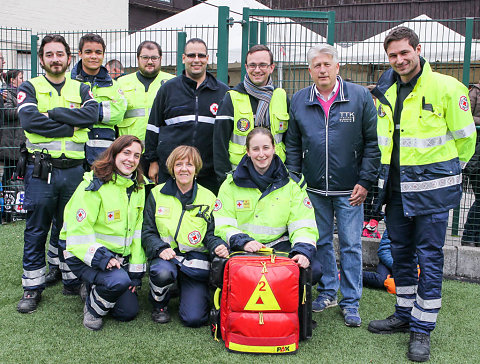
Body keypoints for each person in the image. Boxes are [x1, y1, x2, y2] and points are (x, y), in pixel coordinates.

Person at [368, 27, 476, 362]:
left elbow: (466, 141)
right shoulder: (383, 90)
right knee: (401, 254)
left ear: (418, 49)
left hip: (433, 193)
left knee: (428, 257)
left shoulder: (448, 88)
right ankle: (403, 313)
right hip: (396, 190)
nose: (399, 60)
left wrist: (443, 176)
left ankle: (422, 328)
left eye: (404, 53)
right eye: (392, 55)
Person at [285, 44, 380, 327]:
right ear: (310, 70)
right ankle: (328, 293)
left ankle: (351, 302)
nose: (322, 69)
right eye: (317, 65)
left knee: (351, 245)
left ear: (337, 67)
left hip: (350, 190)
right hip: (313, 189)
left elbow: (373, 145)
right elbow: (293, 143)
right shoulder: (300, 99)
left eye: (327, 64)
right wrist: (294, 178)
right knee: (322, 242)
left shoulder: (361, 97)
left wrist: (365, 181)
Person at [15, 34, 98, 314]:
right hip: (41, 170)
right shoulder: (30, 86)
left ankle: (72, 280)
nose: (55, 59)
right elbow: (29, 120)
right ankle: (32, 286)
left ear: (68, 58)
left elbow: (91, 116)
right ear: (41, 60)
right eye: (49, 54)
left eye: (59, 54)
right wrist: (69, 126)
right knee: (36, 229)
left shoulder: (82, 87)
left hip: (74, 171)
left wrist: (53, 113)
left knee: (72, 228)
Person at [59, 135, 147, 331]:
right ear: (114, 153)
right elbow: (78, 231)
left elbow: (137, 233)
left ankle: (92, 286)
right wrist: (101, 258)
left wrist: (135, 272)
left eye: (136, 156)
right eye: (126, 153)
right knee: (118, 281)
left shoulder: (139, 186)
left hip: (115, 259)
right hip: (81, 254)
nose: (131, 160)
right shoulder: (93, 185)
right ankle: (92, 310)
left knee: (127, 312)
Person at [214, 127, 319, 277]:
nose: (261, 154)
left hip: (280, 246)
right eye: (255, 149)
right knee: (220, 269)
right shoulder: (230, 184)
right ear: (248, 152)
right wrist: (244, 242)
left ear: (274, 149)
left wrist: (302, 251)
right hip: (243, 247)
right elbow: (223, 224)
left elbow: (303, 224)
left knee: (313, 270)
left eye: (266, 148)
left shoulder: (293, 185)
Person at [142, 145, 227, 326]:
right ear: (172, 168)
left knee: (194, 319)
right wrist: (159, 248)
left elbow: (212, 234)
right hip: (166, 258)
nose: (183, 169)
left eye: (189, 164)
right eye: (179, 164)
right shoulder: (156, 194)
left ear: (196, 169)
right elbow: (147, 231)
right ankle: (160, 305)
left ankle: (183, 287)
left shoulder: (209, 197)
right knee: (162, 272)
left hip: (194, 261)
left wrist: (217, 245)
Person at [145, 38, 229, 194]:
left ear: (207, 59)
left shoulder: (222, 92)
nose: (196, 60)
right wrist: (153, 161)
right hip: (172, 172)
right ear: (183, 58)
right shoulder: (168, 89)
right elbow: (153, 127)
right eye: (191, 55)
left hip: (208, 174)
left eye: (201, 55)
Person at [214, 44, 289, 184]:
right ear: (246, 67)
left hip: (276, 175)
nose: (257, 70)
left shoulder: (281, 96)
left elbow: (290, 140)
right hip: (239, 176)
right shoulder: (232, 98)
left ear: (271, 67)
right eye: (252, 65)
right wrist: (223, 179)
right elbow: (219, 143)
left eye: (262, 65)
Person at [117, 41, 174, 173]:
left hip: (162, 153)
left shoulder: (172, 82)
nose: (150, 61)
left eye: (154, 58)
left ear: (161, 59)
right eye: (145, 57)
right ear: (138, 58)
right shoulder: (122, 83)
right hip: (129, 153)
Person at [70, 33, 127, 166]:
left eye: (98, 52)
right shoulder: (67, 81)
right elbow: (62, 110)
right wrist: (101, 110)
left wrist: (83, 112)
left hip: (102, 154)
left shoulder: (114, 85)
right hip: (73, 153)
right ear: (80, 53)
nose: (94, 56)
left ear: (103, 55)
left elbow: (118, 115)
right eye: (88, 52)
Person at [461, 79, 480, 247]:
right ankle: (468, 237)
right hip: (475, 155)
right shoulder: (475, 91)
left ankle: (474, 238)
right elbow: (465, 116)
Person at [1, 70, 25, 185]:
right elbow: (8, 112)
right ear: (12, 80)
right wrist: (24, 108)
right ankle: (6, 196)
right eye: (20, 78)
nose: (23, 80)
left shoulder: (21, 94)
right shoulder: (7, 93)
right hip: (11, 139)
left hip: (19, 139)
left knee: (17, 170)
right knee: (9, 171)